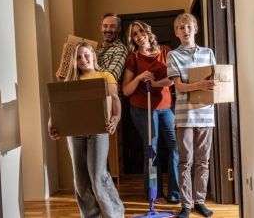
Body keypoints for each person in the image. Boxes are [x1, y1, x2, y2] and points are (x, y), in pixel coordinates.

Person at [48, 42, 125, 218]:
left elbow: (114, 99)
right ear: (75, 61)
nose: (83, 59)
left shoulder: (105, 76)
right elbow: (57, 106)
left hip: (98, 131)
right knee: (81, 181)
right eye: (78, 57)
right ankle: (91, 216)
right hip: (74, 133)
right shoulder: (71, 81)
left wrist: (116, 118)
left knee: (98, 178)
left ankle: (114, 214)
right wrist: (51, 125)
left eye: (86, 55)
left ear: (93, 56)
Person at [122, 20, 180, 204]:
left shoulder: (166, 51)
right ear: (132, 39)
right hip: (142, 108)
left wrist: (156, 83)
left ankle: (175, 193)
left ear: (148, 31)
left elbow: (173, 79)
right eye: (134, 34)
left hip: (166, 107)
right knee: (152, 151)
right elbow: (126, 90)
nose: (139, 36)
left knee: (175, 147)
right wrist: (139, 77)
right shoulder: (133, 58)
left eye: (141, 31)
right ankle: (154, 194)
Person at [167, 13, 217, 218]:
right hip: (184, 116)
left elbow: (215, 81)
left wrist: (213, 85)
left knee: (203, 161)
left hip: (206, 115)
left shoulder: (208, 53)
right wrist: (200, 84)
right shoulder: (173, 55)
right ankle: (186, 204)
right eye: (180, 27)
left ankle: (200, 201)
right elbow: (178, 86)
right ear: (176, 32)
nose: (185, 30)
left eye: (188, 26)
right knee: (185, 161)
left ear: (195, 29)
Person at [97, 13, 129, 84]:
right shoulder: (98, 49)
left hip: (110, 93)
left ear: (119, 29)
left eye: (112, 26)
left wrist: (92, 64)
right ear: (101, 28)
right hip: (95, 90)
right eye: (105, 26)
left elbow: (111, 77)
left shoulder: (121, 49)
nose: (108, 29)